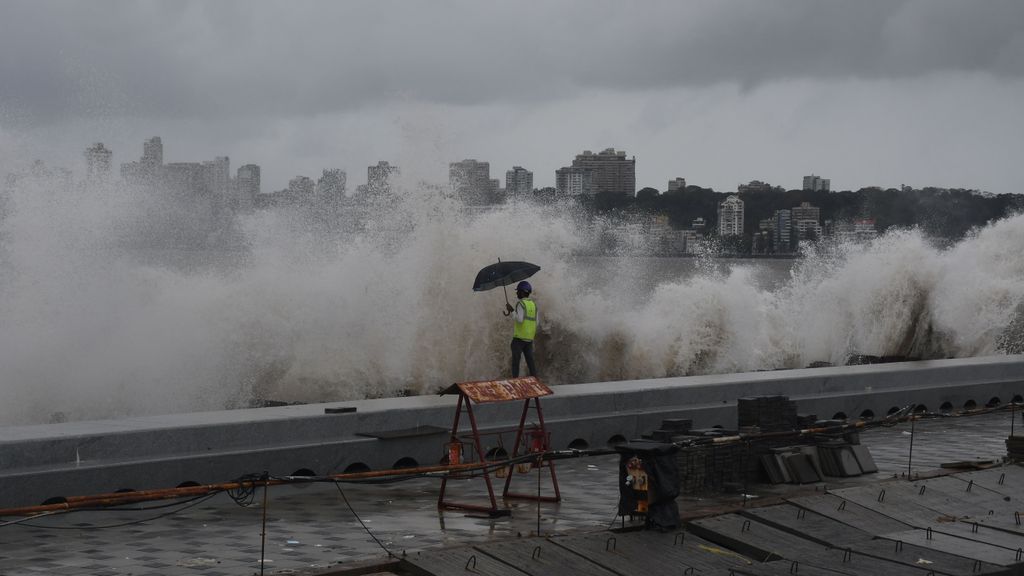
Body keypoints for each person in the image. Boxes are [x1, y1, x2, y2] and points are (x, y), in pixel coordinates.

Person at [505, 280, 538, 377]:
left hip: (519, 339)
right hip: (529, 338)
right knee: (530, 362)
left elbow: (519, 319)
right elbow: (537, 322)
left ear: (523, 292)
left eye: (518, 291)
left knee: (516, 362)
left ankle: (515, 381)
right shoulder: (533, 305)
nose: (517, 293)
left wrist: (511, 311)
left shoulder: (521, 304)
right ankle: (535, 380)